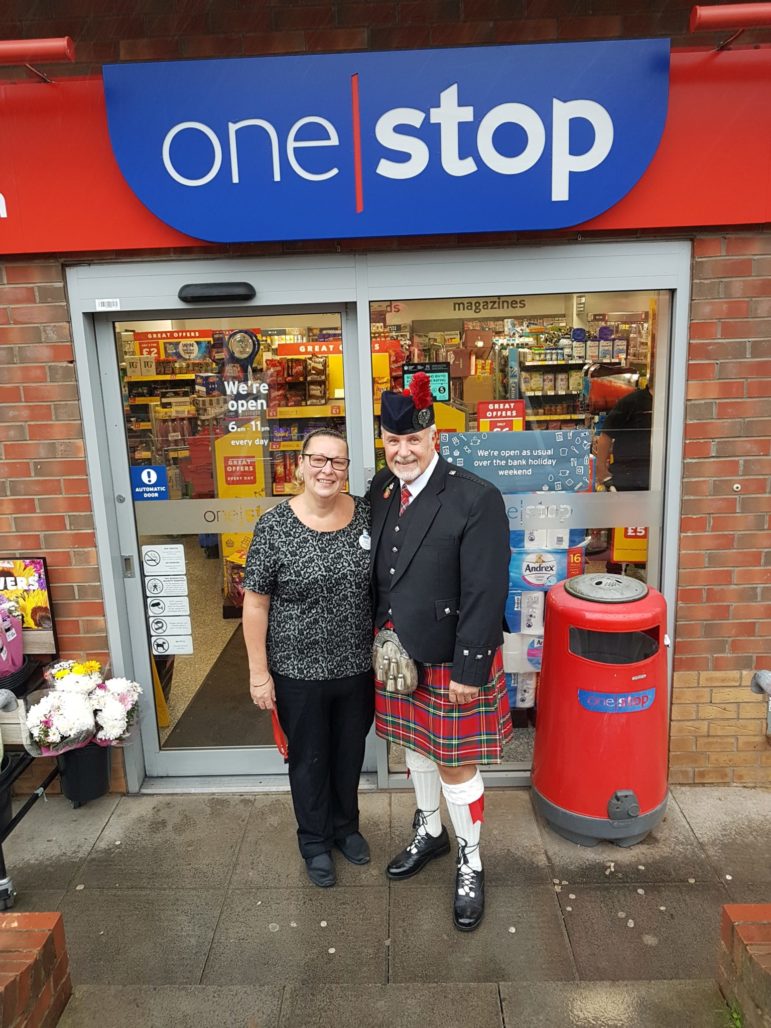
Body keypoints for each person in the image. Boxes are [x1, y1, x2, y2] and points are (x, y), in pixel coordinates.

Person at [369, 372, 512, 932]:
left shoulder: (475, 496)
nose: (402, 451)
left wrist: (471, 666)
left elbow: (485, 587)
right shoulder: (381, 489)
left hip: (453, 656)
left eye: (414, 440)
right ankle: (430, 830)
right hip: (398, 652)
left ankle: (471, 859)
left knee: (457, 763)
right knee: (415, 750)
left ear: (434, 438)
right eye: (392, 440)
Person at [243, 428, 374, 888]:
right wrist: (260, 674)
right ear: (299, 465)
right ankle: (315, 840)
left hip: (357, 667)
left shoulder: (367, 517)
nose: (327, 470)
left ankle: (345, 827)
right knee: (309, 759)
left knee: (348, 754)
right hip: (297, 671)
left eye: (337, 462)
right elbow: (255, 602)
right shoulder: (274, 525)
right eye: (318, 460)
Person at [594, 376, 653, 491]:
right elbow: (606, 434)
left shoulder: (670, 404)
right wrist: (601, 469)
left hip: (657, 474)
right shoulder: (631, 401)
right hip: (627, 476)